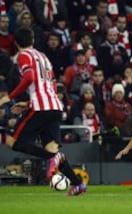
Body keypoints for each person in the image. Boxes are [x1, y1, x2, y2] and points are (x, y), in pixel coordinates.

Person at [0, 28, 86, 196]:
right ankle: (78, 184)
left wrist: (8, 98)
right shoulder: (44, 57)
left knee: (12, 142)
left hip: (41, 107)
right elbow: (52, 84)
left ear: (16, 43)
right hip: (54, 106)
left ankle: (50, 159)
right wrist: (28, 103)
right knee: (52, 149)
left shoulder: (23, 56)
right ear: (33, 39)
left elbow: (30, 77)